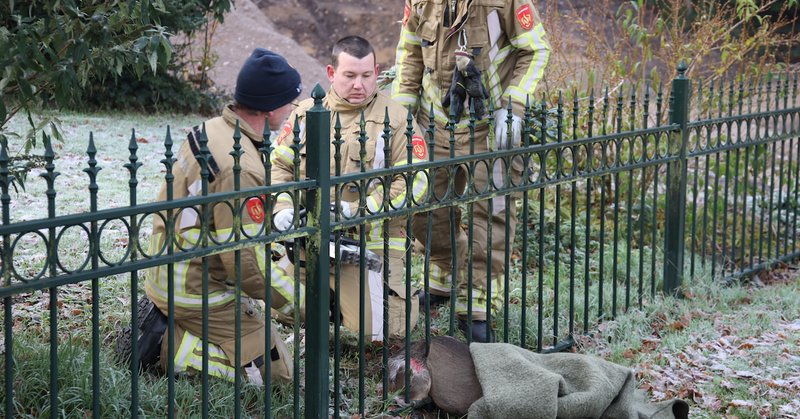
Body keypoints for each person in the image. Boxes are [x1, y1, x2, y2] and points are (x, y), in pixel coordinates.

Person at [391, 0, 551, 342]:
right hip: (433, 122)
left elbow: (536, 49)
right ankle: (446, 272)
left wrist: (514, 105)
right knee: (422, 207)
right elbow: (409, 51)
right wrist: (400, 112)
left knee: (490, 215)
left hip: (489, 126)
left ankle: (476, 302)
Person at [139, 48, 303, 384]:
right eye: (290, 101)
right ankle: (171, 346)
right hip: (195, 288)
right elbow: (245, 262)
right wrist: (296, 305)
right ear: (271, 106)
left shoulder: (213, 128)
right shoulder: (240, 166)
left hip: (167, 270)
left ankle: (175, 321)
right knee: (278, 373)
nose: (292, 110)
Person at [270, 35, 428, 342]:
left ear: (377, 71)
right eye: (350, 76)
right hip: (310, 244)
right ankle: (329, 305)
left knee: (384, 334)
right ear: (331, 74)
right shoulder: (305, 114)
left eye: (367, 76)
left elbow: (415, 181)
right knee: (280, 308)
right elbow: (279, 166)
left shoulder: (396, 119)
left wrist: (357, 210)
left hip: (371, 247)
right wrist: (283, 208)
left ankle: (347, 305)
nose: (360, 85)